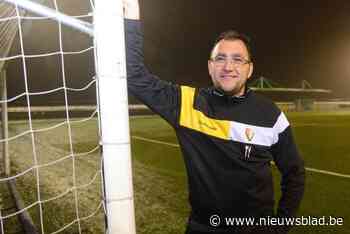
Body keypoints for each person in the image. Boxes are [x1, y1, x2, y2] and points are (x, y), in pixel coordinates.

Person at [123, 0, 305, 233]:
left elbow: (294, 173)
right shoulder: (188, 104)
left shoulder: (270, 115)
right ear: (210, 67)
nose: (228, 66)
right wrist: (131, 13)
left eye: (238, 59)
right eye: (220, 58)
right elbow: (135, 77)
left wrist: (280, 226)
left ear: (250, 69)